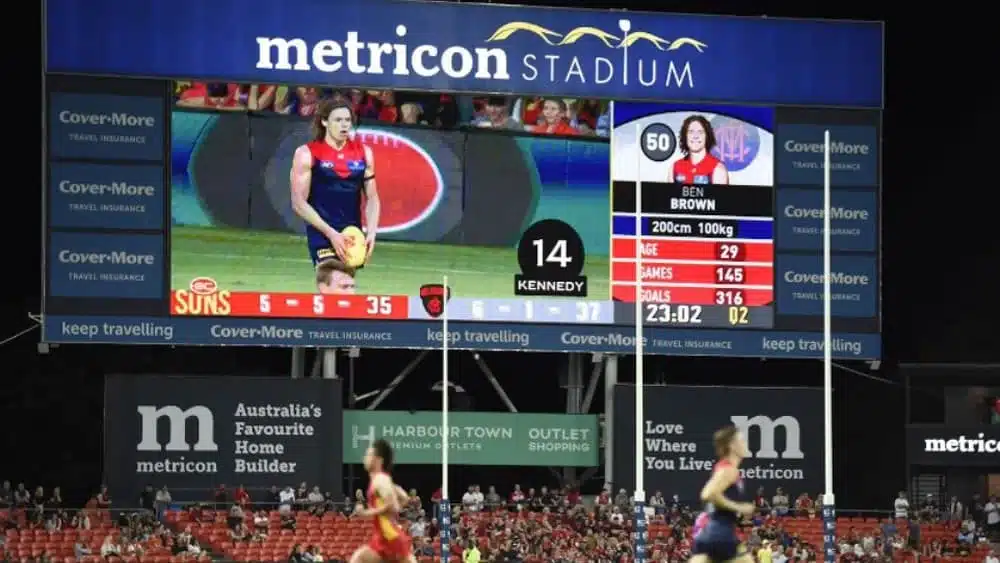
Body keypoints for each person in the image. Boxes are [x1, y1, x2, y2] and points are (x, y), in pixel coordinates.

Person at [290, 100, 381, 271]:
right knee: (332, 279)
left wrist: (371, 233)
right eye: (338, 120)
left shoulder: (364, 153)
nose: (344, 125)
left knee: (345, 285)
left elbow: (372, 198)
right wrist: (331, 233)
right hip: (322, 231)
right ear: (324, 122)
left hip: (352, 233)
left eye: (347, 120)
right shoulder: (307, 153)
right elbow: (298, 203)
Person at [689, 425, 755, 563]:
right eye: (741, 441)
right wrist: (739, 507)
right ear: (732, 445)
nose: (745, 444)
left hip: (714, 533)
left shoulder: (726, 468)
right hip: (721, 535)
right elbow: (707, 494)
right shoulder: (729, 470)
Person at [349, 439, 416, 563]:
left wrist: (366, 513)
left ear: (379, 459)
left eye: (369, 455)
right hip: (385, 536)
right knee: (358, 558)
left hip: (390, 538)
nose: (365, 458)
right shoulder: (383, 480)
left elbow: (393, 506)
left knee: (358, 558)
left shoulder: (380, 480)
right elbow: (404, 497)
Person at [672, 114, 729, 185]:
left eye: (700, 132)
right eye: (691, 132)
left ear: (707, 136)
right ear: (685, 136)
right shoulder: (675, 167)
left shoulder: (718, 169)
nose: (695, 136)